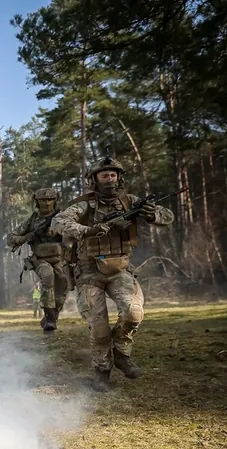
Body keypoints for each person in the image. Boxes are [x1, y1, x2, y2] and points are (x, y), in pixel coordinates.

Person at [51, 157, 174, 392]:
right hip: (88, 272)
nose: (109, 179)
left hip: (120, 269)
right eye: (104, 175)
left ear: (119, 177)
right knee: (99, 328)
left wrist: (150, 215)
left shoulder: (130, 201)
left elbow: (167, 216)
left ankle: (121, 354)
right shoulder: (84, 205)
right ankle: (102, 371)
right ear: (94, 179)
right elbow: (59, 221)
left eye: (113, 174)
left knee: (133, 313)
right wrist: (89, 230)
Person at [6, 188, 68, 332]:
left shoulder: (62, 217)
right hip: (40, 259)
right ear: (37, 202)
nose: (47, 203)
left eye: (50, 199)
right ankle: (50, 319)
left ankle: (53, 315)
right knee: (48, 277)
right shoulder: (32, 220)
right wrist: (28, 237)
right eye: (43, 200)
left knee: (63, 285)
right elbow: (10, 238)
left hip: (61, 258)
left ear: (55, 200)